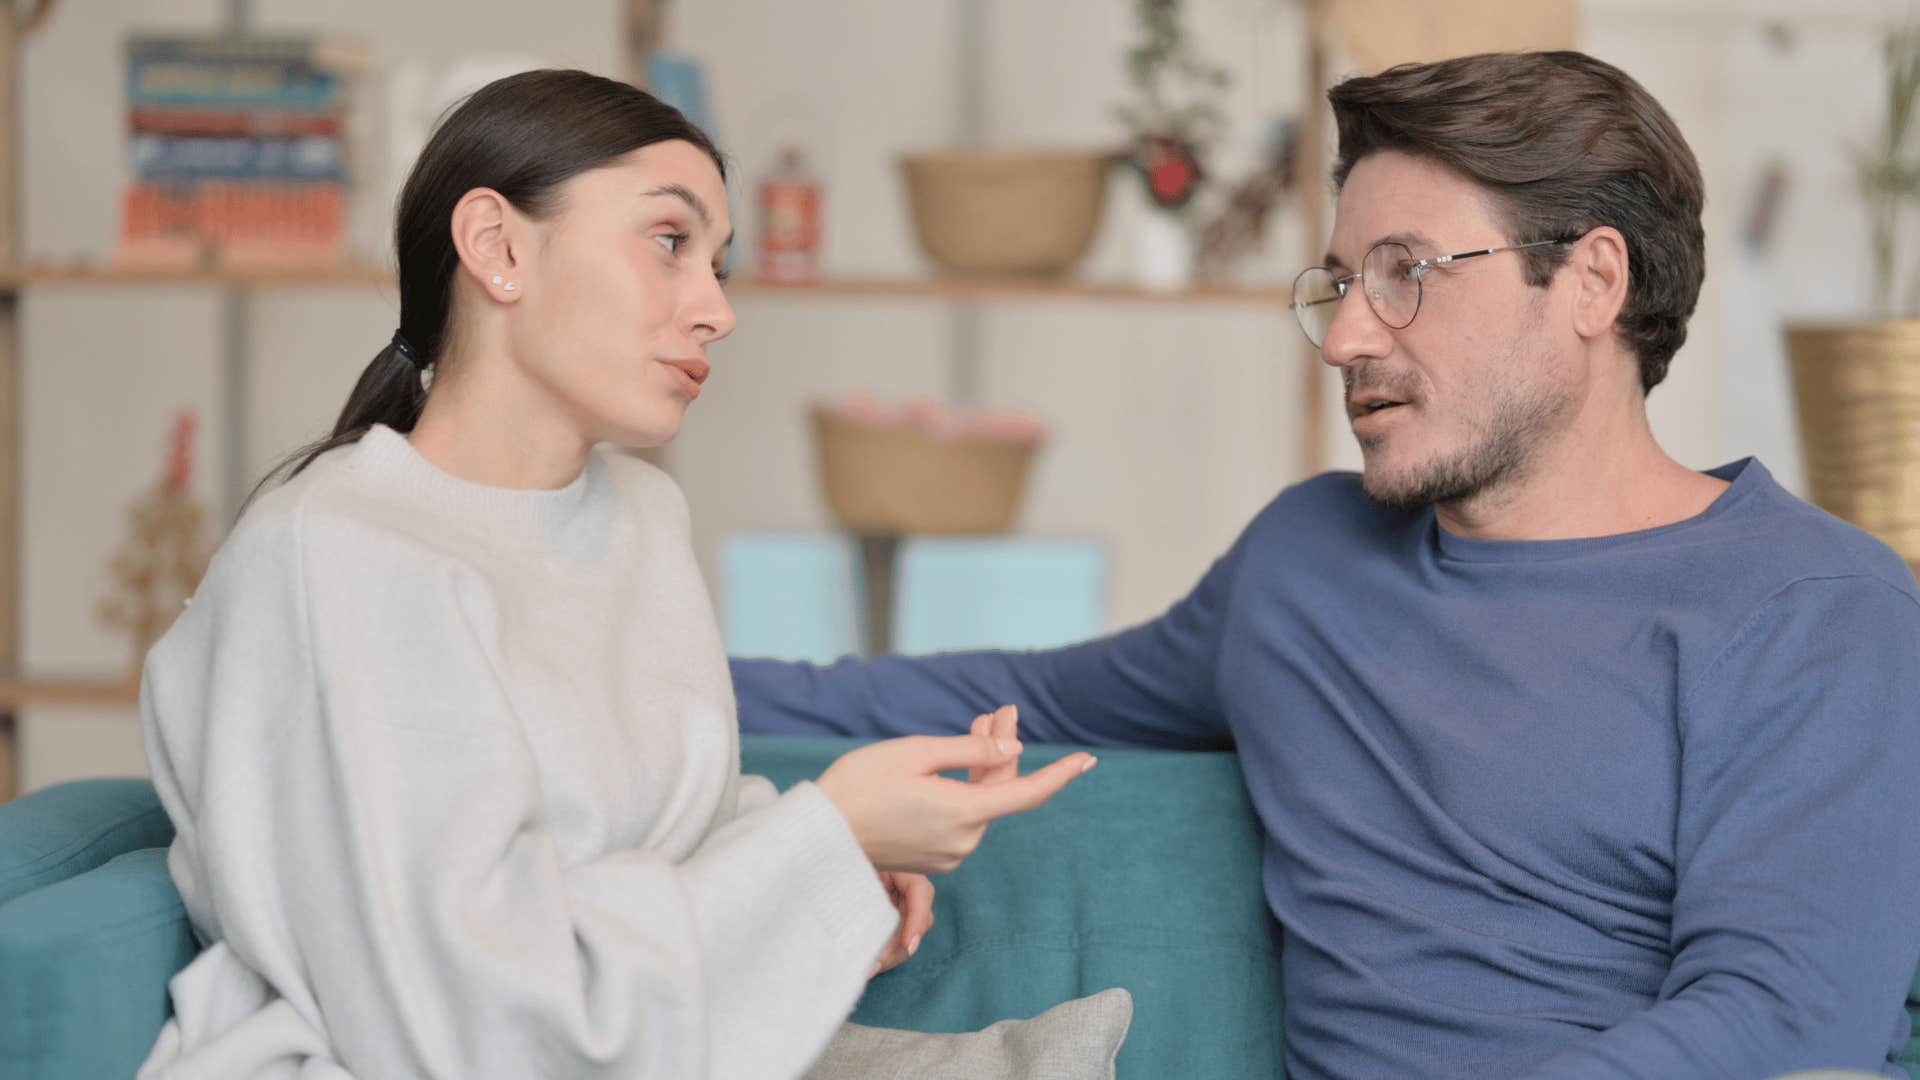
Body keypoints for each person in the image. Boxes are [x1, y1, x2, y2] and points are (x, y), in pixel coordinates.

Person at [733, 50, 1920, 1078]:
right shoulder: (1307, 566)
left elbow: (1785, 1021)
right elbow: (988, 702)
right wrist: (621, 678)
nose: (1350, 336)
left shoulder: (1815, 612)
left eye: (1407, 273)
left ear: (1593, 282)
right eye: (1340, 285)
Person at [136, 69, 1094, 1080]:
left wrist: (841, 862)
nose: (718, 311)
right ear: (498, 247)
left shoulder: (641, 517)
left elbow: (656, 847)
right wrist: (820, 841)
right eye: (671, 243)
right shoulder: (337, 555)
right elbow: (460, 1020)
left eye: (721, 265)